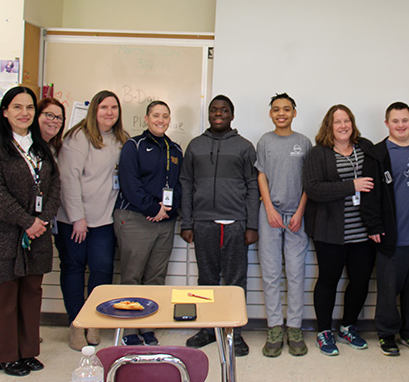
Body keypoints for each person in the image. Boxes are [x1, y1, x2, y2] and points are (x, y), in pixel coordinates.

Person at [0, 86, 61, 376]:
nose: (24, 113)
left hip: (36, 234)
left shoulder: (40, 148)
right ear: (5, 112)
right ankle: (5, 355)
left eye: (29, 108)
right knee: (4, 297)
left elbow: (54, 187)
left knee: (30, 295)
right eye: (17, 107)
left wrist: (43, 220)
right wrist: (27, 221)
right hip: (5, 234)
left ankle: (27, 352)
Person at [179, 95, 259, 356]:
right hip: (203, 223)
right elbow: (186, 184)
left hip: (236, 223)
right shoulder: (195, 146)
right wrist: (187, 221)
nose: (218, 114)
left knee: (235, 282)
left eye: (224, 110)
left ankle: (234, 332)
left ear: (232, 115)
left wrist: (252, 225)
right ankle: (207, 329)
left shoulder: (245, 147)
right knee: (207, 280)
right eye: (214, 110)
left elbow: (252, 186)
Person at [56, 90, 128, 350]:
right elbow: (68, 180)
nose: (109, 112)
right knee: (74, 269)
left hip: (104, 221)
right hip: (75, 220)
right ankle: (76, 324)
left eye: (114, 108)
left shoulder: (121, 139)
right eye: (104, 107)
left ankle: (94, 322)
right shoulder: (78, 138)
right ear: (94, 111)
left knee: (102, 270)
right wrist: (78, 218)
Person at [302, 104, 375, 356]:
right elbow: (314, 189)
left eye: (347, 121)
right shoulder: (318, 153)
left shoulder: (365, 148)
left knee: (360, 280)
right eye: (337, 122)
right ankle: (324, 331)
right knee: (328, 280)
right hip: (329, 232)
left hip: (363, 232)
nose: (343, 126)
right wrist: (350, 185)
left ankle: (347, 326)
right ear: (328, 126)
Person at [362, 102, 409, 357]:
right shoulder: (378, 154)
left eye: (405, 120)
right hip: (394, 237)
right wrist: (374, 225)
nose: (401, 125)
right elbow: (369, 194)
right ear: (387, 124)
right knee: (389, 291)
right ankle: (386, 334)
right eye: (395, 121)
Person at [113, 100, 183, 346]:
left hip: (164, 222)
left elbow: (178, 185)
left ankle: (148, 326)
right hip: (136, 219)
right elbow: (130, 183)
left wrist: (167, 212)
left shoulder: (175, 149)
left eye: (165, 115)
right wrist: (153, 208)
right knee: (132, 275)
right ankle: (130, 329)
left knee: (156, 276)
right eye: (155, 115)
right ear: (146, 118)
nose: (160, 120)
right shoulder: (134, 145)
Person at [255, 93, 312, 357]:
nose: (281, 113)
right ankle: (275, 327)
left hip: (296, 216)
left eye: (287, 109)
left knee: (296, 273)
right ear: (270, 114)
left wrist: (300, 211)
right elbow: (262, 176)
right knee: (271, 272)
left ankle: (295, 328)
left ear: (294, 113)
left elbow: (308, 182)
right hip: (270, 214)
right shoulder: (265, 141)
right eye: (276, 109)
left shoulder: (303, 142)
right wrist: (269, 208)